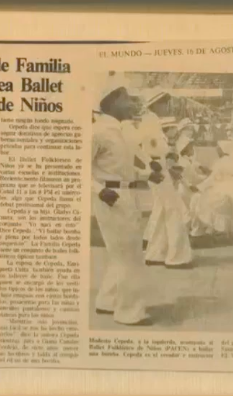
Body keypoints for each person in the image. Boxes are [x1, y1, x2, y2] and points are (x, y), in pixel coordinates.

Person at [91, 77, 154, 325]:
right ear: (113, 100)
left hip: (125, 194)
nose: (130, 103)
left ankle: (107, 300)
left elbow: (123, 170)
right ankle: (130, 312)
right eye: (126, 98)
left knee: (121, 253)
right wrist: (98, 190)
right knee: (131, 256)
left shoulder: (119, 130)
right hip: (111, 198)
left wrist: (148, 175)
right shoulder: (98, 131)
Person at [139, 89, 193, 268]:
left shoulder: (150, 120)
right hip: (157, 168)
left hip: (157, 167)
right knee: (173, 210)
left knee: (163, 210)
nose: (167, 106)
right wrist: (165, 163)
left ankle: (156, 253)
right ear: (155, 104)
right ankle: (177, 257)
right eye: (164, 102)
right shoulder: (151, 121)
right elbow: (152, 148)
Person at [194, 134, 233, 235]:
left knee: (207, 200)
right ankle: (229, 229)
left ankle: (216, 228)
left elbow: (213, 177)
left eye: (218, 149)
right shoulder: (232, 161)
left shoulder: (220, 162)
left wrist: (199, 187)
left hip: (223, 185)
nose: (217, 151)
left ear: (223, 150)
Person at [175, 135, 211, 237]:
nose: (193, 149)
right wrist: (190, 185)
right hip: (185, 191)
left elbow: (195, 172)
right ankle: (193, 233)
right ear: (185, 149)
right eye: (191, 147)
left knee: (193, 210)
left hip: (190, 190)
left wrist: (206, 175)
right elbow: (181, 176)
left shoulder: (189, 160)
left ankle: (195, 232)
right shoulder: (182, 162)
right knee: (189, 212)